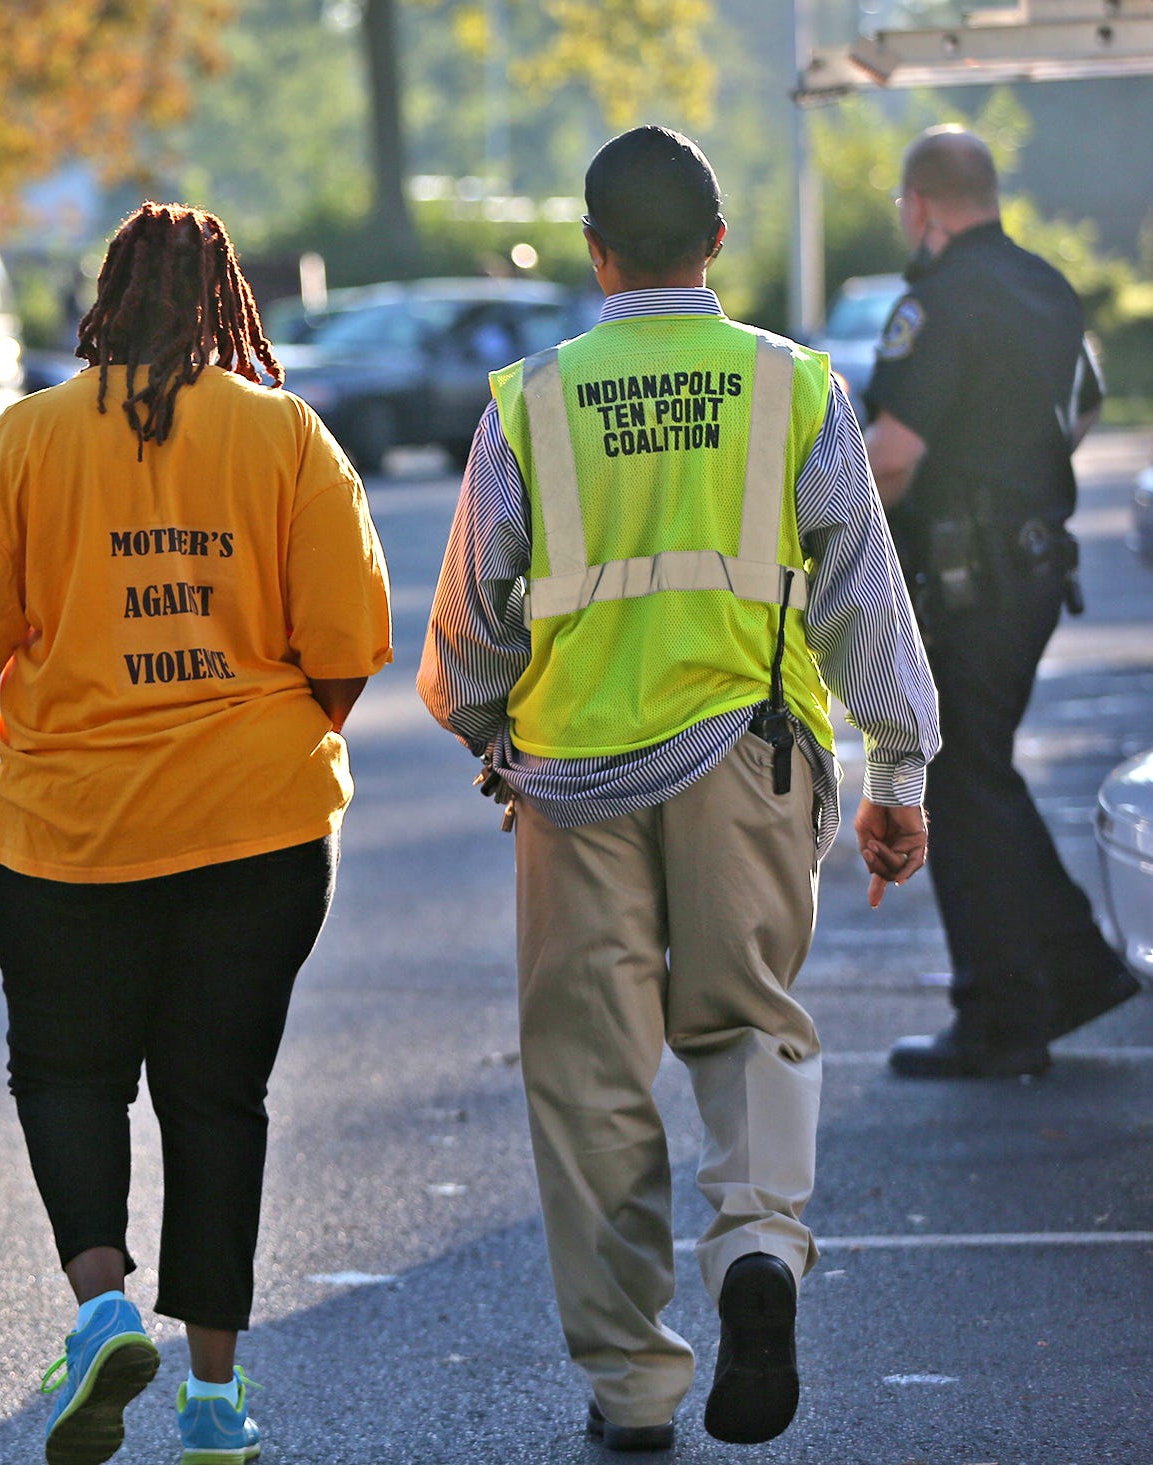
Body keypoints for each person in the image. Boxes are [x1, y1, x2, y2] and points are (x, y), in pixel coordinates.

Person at [420, 127, 940, 1451]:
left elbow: (472, 624)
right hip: (749, 755)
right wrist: (896, 769)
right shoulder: (792, 387)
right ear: (716, 243)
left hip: (570, 783)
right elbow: (861, 596)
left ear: (595, 253)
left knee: (590, 1077)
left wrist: (485, 727)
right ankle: (757, 1242)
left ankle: (633, 1386)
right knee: (748, 1017)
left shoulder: (528, 403)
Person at [0, 202, 392, 1465]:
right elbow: (346, 646)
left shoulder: (26, 440)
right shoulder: (287, 435)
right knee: (218, 1096)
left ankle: (104, 1308)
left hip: (69, 832)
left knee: (68, 1074)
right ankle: (215, 1402)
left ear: (106, 301)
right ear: (228, 303)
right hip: (262, 830)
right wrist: (268, 742)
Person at [864, 125, 1141, 1079]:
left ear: (920, 205)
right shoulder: (1046, 286)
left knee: (960, 778)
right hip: (1031, 569)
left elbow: (891, 459)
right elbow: (1084, 407)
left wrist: (815, 533)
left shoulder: (938, 300)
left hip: (967, 579)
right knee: (978, 772)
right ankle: (1066, 972)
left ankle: (1004, 1013)